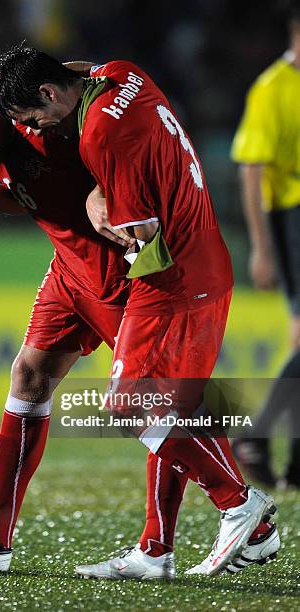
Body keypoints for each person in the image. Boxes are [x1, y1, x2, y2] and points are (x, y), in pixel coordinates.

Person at [0, 44, 279, 577]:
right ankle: (157, 550)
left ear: (50, 93)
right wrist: (99, 189)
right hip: (205, 261)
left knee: (132, 403)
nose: (40, 129)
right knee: (170, 405)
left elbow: (144, 238)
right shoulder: (123, 74)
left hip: (172, 279)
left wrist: (101, 215)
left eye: (35, 117)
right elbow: (122, 126)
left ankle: (241, 505)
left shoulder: (99, 135)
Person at [230, 1, 300, 489]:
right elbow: (251, 169)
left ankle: (296, 464)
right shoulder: (273, 88)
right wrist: (261, 246)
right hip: (292, 219)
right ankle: (254, 436)